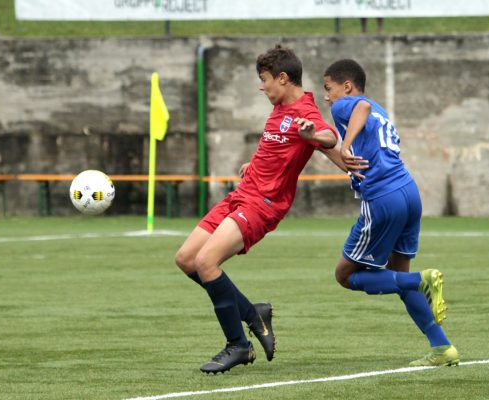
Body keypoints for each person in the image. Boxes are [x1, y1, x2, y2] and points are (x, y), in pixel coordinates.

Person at [174, 45, 340, 374]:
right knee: (186, 259)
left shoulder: (304, 110)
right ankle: (253, 314)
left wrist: (316, 136)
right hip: (243, 193)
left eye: (264, 80)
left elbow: (328, 136)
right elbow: (278, 146)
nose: (261, 86)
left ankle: (238, 345)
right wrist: (256, 163)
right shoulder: (279, 106)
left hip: (263, 205)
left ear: (282, 78)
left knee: (207, 262)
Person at [320, 59, 460, 367]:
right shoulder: (380, 110)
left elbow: (360, 110)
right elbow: (352, 160)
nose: (326, 97)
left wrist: (346, 143)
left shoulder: (348, 106)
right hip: (408, 192)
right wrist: (327, 147)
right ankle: (442, 347)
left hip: (383, 198)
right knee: (397, 275)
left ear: (346, 86)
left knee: (345, 275)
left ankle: (421, 281)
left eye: (328, 89)